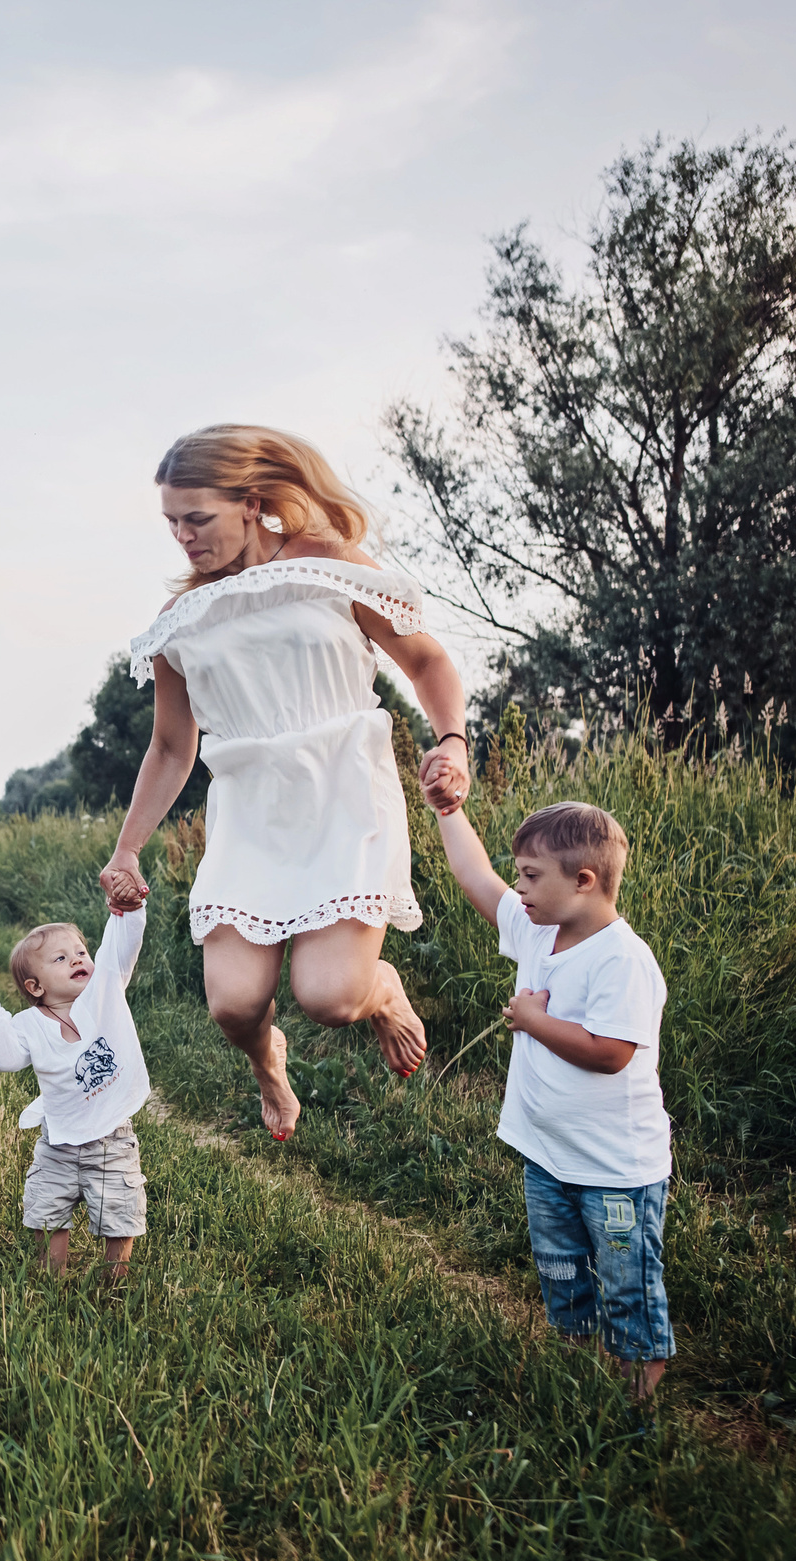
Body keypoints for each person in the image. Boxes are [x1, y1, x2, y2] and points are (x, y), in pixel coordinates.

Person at [97, 424, 471, 1144]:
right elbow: (171, 747)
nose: (182, 536)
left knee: (331, 997)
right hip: (250, 813)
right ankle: (269, 1061)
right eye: (171, 522)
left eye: (196, 517)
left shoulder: (328, 565)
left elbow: (427, 663)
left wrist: (451, 740)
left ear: (251, 502)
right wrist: (127, 849)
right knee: (234, 1005)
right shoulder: (180, 621)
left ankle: (381, 989)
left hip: (345, 796)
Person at [433, 799, 673, 1400]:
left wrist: (533, 1020)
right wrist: (447, 808)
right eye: (519, 874)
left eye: (531, 876)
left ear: (584, 881)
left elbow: (610, 1052)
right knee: (563, 1276)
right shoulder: (538, 932)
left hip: (616, 1172)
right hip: (547, 1158)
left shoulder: (622, 959)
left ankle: (635, 1409)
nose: (518, 887)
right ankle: (575, 1382)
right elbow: (475, 878)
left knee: (628, 1289)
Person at [0, 900, 152, 1280]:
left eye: (81, 952)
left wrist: (129, 907)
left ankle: (114, 1281)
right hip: (57, 1145)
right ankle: (51, 1278)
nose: (77, 959)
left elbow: (121, 945)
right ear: (36, 986)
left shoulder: (105, 992)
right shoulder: (30, 1023)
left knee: (120, 1214)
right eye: (61, 958)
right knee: (47, 1214)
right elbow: (6, 1055)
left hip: (112, 1140)